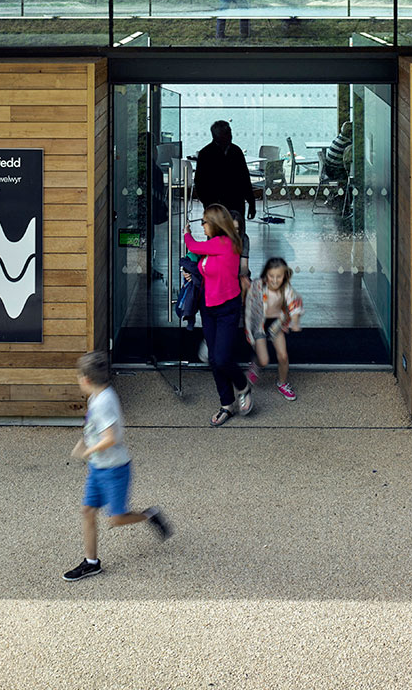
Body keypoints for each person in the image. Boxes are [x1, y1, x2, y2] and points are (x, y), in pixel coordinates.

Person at [64, 351, 172, 581]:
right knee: (87, 511)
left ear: (86, 380)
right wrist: (86, 442)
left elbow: (111, 437)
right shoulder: (97, 396)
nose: (78, 380)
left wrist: (87, 451)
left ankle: (149, 515)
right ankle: (91, 562)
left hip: (115, 469)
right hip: (98, 468)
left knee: (117, 518)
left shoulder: (103, 402)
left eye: (78, 376)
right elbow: (94, 429)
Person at [184, 204, 252, 426]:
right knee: (214, 359)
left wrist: (186, 232)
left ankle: (243, 385)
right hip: (208, 306)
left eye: (204, 222)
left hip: (226, 308)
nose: (202, 225)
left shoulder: (226, 243)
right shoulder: (215, 246)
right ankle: (227, 404)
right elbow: (205, 265)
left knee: (222, 358)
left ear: (214, 224)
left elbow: (193, 245)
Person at [245, 257, 304, 400]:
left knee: (283, 356)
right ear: (266, 274)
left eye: (279, 276)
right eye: (271, 276)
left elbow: (295, 305)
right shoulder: (257, 286)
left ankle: (282, 383)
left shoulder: (286, 288)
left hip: (276, 325)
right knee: (264, 360)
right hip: (260, 325)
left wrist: (295, 322)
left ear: (284, 276)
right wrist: (249, 330)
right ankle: (256, 365)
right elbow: (249, 308)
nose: (275, 280)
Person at [192, 120, 255, 235]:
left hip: (236, 202)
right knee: (215, 238)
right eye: (226, 133)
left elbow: (245, 178)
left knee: (237, 236)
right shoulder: (206, 154)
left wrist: (251, 202)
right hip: (215, 204)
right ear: (217, 136)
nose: (230, 136)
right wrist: (208, 203)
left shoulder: (236, 151)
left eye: (230, 132)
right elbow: (200, 182)